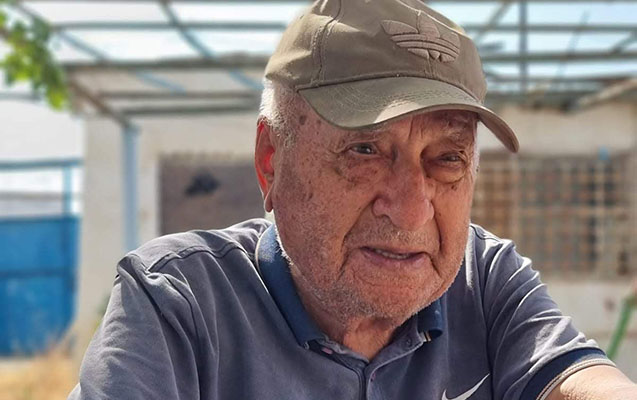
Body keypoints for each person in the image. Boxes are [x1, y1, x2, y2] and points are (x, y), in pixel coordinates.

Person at [69, 0, 637, 399]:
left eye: (446, 158)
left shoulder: (483, 279)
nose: (411, 211)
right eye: (365, 150)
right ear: (271, 161)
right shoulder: (179, 303)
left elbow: (582, 382)